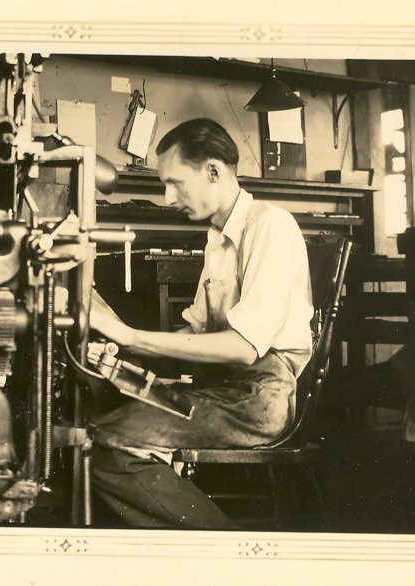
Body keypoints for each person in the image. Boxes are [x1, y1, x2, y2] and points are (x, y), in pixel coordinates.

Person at [88, 118, 314, 528]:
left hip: (258, 399)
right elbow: (197, 332)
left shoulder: (269, 225)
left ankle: (222, 553)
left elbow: (245, 347)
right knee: (100, 423)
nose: (168, 197)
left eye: (175, 183)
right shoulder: (217, 236)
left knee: (109, 443)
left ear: (213, 171)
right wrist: (121, 345)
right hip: (225, 388)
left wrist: (131, 334)